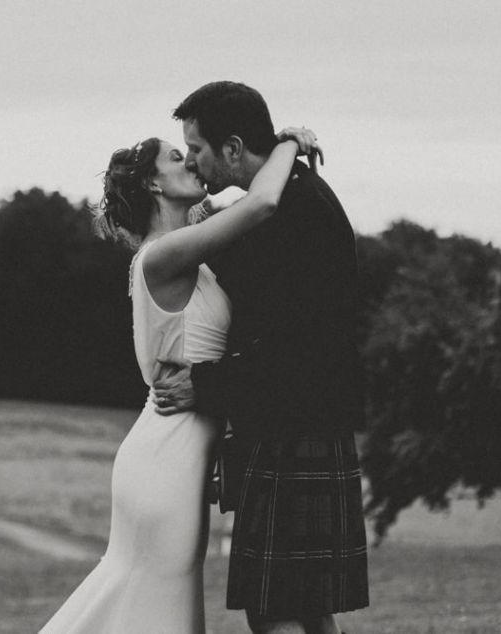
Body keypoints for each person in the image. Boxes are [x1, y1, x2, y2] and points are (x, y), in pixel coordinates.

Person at [38, 126, 319, 633]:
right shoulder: (162, 255)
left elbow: (241, 204)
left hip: (174, 459)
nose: (192, 160)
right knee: (156, 608)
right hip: (165, 462)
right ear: (153, 184)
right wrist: (289, 144)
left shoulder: (182, 247)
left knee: (141, 603)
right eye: (178, 156)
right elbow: (259, 205)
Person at [154, 81, 369, 634]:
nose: (195, 164)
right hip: (294, 421)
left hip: (296, 426)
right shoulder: (284, 200)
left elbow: (297, 349)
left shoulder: (293, 212)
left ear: (230, 148)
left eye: (197, 149)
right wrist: (290, 143)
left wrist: (203, 385)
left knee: (274, 612)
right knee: (303, 608)